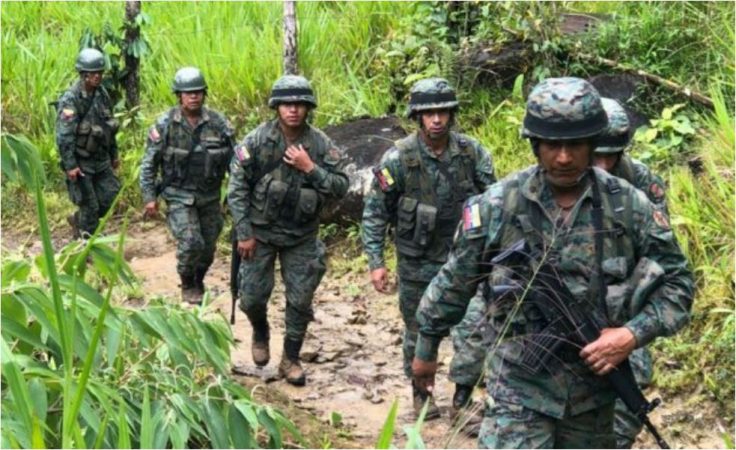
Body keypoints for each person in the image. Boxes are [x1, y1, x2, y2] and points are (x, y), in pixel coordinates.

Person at [412, 77, 694, 448]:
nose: (563, 158)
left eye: (575, 145)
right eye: (552, 145)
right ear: (535, 144)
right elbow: (455, 281)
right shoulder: (497, 205)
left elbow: (678, 285)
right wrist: (426, 349)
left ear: (592, 143)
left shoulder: (628, 206)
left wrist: (631, 335)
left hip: (593, 394)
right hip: (518, 388)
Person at [361, 77, 496, 419]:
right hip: (416, 263)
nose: (436, 119)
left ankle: (462, 399)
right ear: (418, 116)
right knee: (419, 332)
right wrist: (376, 261)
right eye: (429, 113)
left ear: (451, 114)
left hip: (464, 262)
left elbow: (495, 203)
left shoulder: (471, 153)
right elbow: (375, 212)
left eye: (443, 112)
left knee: (473, 329)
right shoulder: (398, 158)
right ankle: (422, 396)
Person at [227, 75, 348, 386]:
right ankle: (260, 329)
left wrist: (311, 168)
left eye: (299, 104)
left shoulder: (320, 144)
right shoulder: (257, 141)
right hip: (260, 234)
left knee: (301, 299)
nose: (293, 110)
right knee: (251, 297)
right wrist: (244, 232)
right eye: (286, 104)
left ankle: (291, 358)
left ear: (308, 108)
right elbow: (237, 188)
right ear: (276, 107)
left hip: (301, 236)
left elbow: (341, 186)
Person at [595, 97, 668, 449]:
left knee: (631, 388)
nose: (603, 165)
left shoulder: (642, 181)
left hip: (624, 304)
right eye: (595, 155)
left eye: (611, 156)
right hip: (567, 303)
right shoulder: (556, 179)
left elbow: (660, 254)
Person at [139, 67, 235, 305]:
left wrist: (236, 196)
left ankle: (198, 279)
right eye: (188, 93)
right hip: (178, 195)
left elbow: (235, 162)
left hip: (210, 196)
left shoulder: (218, 123)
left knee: (208, 247)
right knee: (191, 241)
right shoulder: (165, 124)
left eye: (198, 92)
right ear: (179, 95)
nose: (194, 96)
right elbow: (149, 163)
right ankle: (188, 283)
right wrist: (149, 197)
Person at [55, 48, 120, 239]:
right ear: (83, 75)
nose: (97, 76)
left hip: (101, 158)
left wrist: (114, 154)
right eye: (93, 73)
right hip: (81, 161)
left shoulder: (102, 94)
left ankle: (80, 221)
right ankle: (87, 241)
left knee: (110, 196)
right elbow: (64, 135)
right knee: (89, 205)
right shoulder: (71, 99)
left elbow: (109, 126)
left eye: (100, 72)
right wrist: (70, 165)